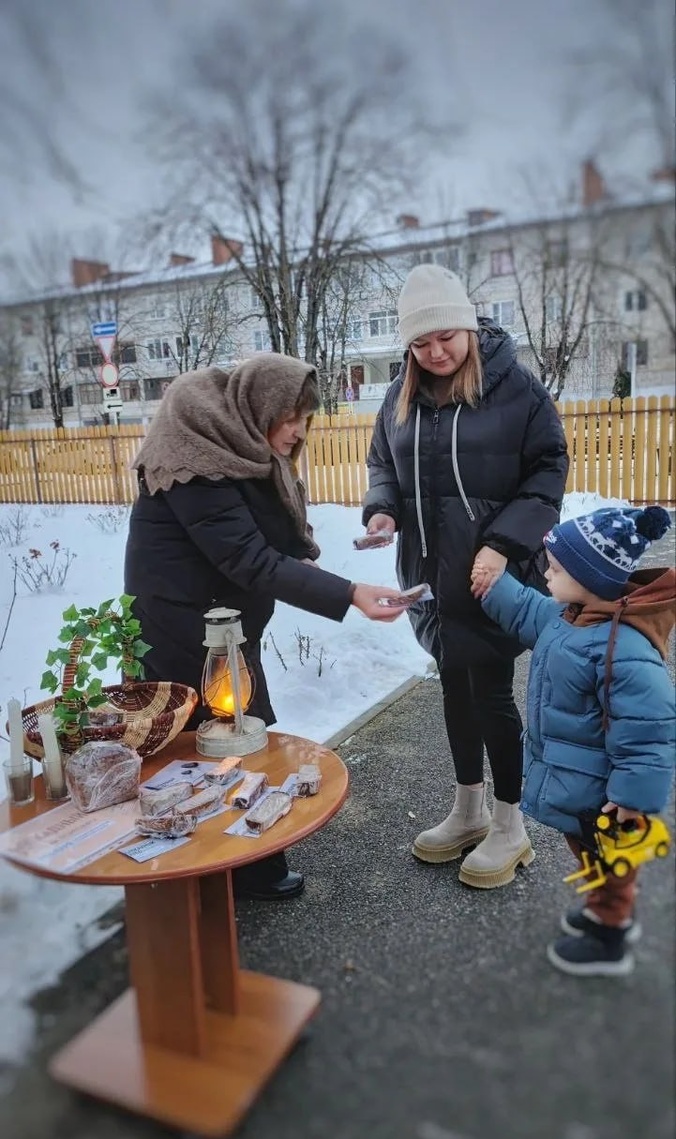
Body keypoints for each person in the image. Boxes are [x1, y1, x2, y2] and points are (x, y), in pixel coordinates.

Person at [124, 353, 403, 901]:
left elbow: (260, 541)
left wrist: (308, 569)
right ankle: (197, 872)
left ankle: (244, 864)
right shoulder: (194, 455)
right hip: (181, 624)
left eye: (306, 418)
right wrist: (348, 594)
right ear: (259, 407)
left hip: (221, 620)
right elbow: (247, 558)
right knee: (199, 742)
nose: (299, 431)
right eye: (291, 417)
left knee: (243, 730)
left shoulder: (238, 446)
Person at [362, 264, 569, 888]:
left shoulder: (517, 388)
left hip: (493, 577)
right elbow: (383, 465)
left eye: (445, 336)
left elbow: (548, 472)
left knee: (492, 695)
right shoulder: (400, 395)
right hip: (429, 576)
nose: (436, 351)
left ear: (467, 325)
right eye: (421, 343)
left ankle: (511, 825)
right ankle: (468, 810)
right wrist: (381, 509)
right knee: (453, 689)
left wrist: (504, 545)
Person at [476, 504, 675, 975]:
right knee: (587, 852)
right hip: (577, 784)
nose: (547, 572)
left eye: (558, 567)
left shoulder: (624, 649)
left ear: (592, 577)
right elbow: (524, 608)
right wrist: (492, 580)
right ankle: (601, 911)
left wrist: (633, 801)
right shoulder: (567, 616)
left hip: (608, 796)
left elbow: (649, 735)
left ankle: (610, 935)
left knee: (615, 861)